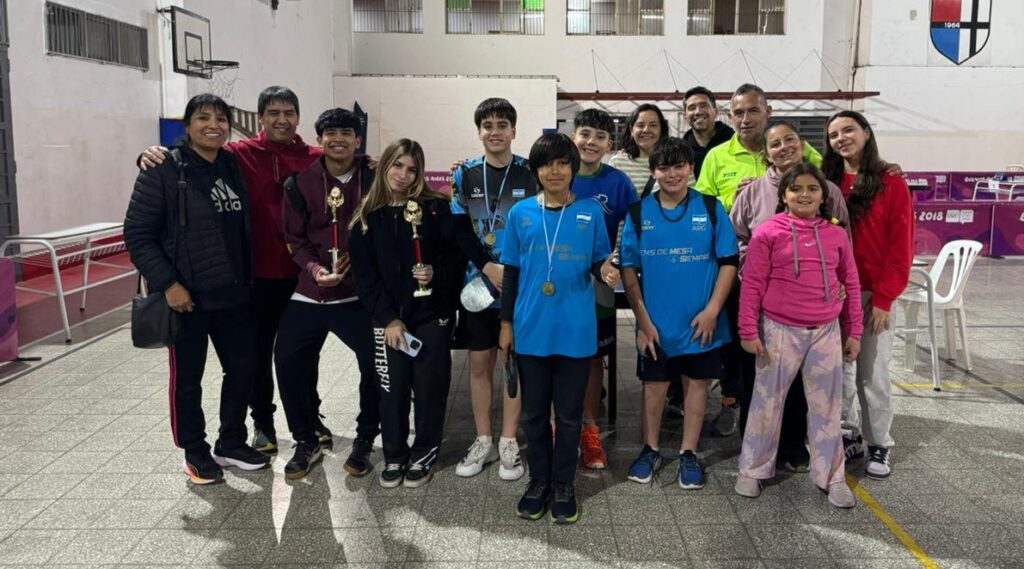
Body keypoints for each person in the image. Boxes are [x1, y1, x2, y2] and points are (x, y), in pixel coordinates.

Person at [139, 86, 325, 453]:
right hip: (254, 278)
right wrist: (149, 155)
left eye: (289, 112)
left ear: (298, 117)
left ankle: (310, 417)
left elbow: (349, 164)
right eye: (273, 112)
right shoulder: (237, 154)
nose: (282, 119)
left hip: (303, 277)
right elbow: (188, 158)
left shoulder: (315, 158)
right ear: (260, 117)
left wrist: (371, 164)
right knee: (255, 357)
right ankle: (263, 424)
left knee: (302, 354)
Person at [125, 93, 271, 484]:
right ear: (187, 126)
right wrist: (169, 284)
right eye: (203, 118)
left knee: (242, 370)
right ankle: (194, 451)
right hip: (187, 298)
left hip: (235, 294)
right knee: (188, 380)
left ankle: (231, 441)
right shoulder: (162, 169)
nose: (213, 125)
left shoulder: (232, 164)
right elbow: (137, 235)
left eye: (221, 119)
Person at [349, 138, 492, 489]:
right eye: (397, 165)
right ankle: (394, 455)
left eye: (412, 169)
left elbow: (457, 258)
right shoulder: (365, 219)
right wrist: (388, 319)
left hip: (432, 315)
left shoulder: (436, 209)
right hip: (389, 322)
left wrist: (435, 273)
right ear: (385, 166)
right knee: (392, 389)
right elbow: (365, 279)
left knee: (430, 389)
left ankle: (424, 453)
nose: (403, 174)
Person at [733, 162, 862, 508]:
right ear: (784, 194)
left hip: (825, 331)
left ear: (823, 195)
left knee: (827, 407)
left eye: (812, 188)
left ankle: (831, 476)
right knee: (766, 402)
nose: (804, 195)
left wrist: (854, 332)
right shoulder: (767, 232)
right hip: (778, 329)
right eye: (796, 188)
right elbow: (752, 284)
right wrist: (748, 330)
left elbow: (850, 281)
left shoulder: (836, 234)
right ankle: (752, 469)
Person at [696, 83, 821, 438]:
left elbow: (827, 183)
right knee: (746, 349)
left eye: (753, 110)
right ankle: (742, 416)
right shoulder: (717, 156)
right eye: (738, 113)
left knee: (793, 356)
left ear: (768, 111)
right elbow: (703, 210)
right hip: (743, 274)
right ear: (729, 117)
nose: (745, 119)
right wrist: (738, 201)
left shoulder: (798, 149)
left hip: (799, 278)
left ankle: (792, 436)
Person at [499, 133, 612, 524]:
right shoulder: (521, 213)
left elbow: (598, 262)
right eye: (547, 164)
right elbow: (511, 274)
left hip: (575, 329)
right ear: (536, 170)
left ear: (573, 168)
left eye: (563, 162)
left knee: (568, 415)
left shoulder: (590, 212)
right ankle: (539, 480)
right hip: (530, 328)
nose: (555, 171)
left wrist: (606, 270)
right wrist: (506, 324)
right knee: (533, 415)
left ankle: (564, 483)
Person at [619, 137, 738, 490]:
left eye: (678, 166)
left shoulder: (711, 209)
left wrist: (713, 310)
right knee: (654, 388)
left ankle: (689, 452)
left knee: (696, 386)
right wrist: (643, 322)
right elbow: (628, 270)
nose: (671, 174)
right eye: (663, 168)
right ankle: (650, 449)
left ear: (691, 169)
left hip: (702, 324)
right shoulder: (638, 213)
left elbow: (729, 262)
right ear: (653, 172)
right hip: (655, 326)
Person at [275, 108, 379, 479]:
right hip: (310, 293)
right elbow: (295, 239)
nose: (338, 139)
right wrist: (315, 270)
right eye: (330, 133)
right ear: (319, 139)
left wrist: (361, 259)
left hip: (358, 296)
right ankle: (305, 440)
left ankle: (365, 438)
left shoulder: (376, 178)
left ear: (357, 139)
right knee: (288, 360)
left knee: (377, 364)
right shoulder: (299, 183)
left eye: (346, 133)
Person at [823, 110, 913, 480]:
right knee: (839, 371)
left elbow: (901, 245)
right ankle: (849, 434)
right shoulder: (826, 181)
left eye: (848, 130)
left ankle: (880, 443)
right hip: (833, 294)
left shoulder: (890, 182)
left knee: (871, 372)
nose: (841, 138)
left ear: (865, 132)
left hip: (872, 293)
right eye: (833, 134)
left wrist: (884, 299)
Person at [450, 98, 533, 481]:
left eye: (502, 124)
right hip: (478, 283)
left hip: (520, 282)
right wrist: (486, 266)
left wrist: (509, 271)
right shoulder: (464, 174)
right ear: (479, 131)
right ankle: (483, 438)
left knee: (511, 360)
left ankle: (508, 439)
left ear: (514, 130)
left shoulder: (530, 173)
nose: (495, 131)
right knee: (479, 363)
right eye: (488, 125)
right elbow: (459, 229)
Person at [569, 109, 638, 470]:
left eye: (599, 136)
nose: (591, 142)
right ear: (573, 137)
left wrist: (618, 260)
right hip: (558, 284)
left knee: (594, 357)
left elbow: (636, 225)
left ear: (610, 143)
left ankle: (589, 428)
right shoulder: (557, 172)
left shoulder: (618, 182)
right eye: (585, 133)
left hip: (599, 283)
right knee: (557, 355)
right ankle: (558, 428)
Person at [610, 104, 670, 197]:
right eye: (640, 125)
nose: (646, 130)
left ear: (661, 130)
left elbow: (689, 198)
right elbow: (609, 199)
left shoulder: (674, 161)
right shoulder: (618, 163)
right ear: (631, 130)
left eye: (653, 125)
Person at [680, 86, 735, 181]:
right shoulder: (681, 151)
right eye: (692, 108)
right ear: (685, 116)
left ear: (716, 111)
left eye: (703, 105)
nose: (698, 112)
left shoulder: (735, 143)